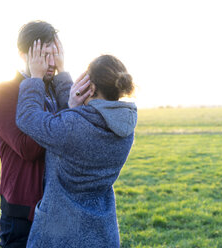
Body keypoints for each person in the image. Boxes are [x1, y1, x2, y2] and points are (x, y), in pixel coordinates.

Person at [16, 39, 137, 248]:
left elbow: (28, 117)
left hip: (61, 235)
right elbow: (80, 116)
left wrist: (35, 77)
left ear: (90, 86)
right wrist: (63, 75)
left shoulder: (73, 126)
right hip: (102, 234)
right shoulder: (126, 128)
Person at [0, 20, 73, 247]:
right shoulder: (4, 93)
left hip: (61, 209)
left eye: (55, 54)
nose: (51, 63)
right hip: (22, 214)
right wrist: (35, 81)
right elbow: (27, 148)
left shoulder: (59, 88)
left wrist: (64, 76)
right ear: (23, 55)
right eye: (43, 55)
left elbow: (75, 133)